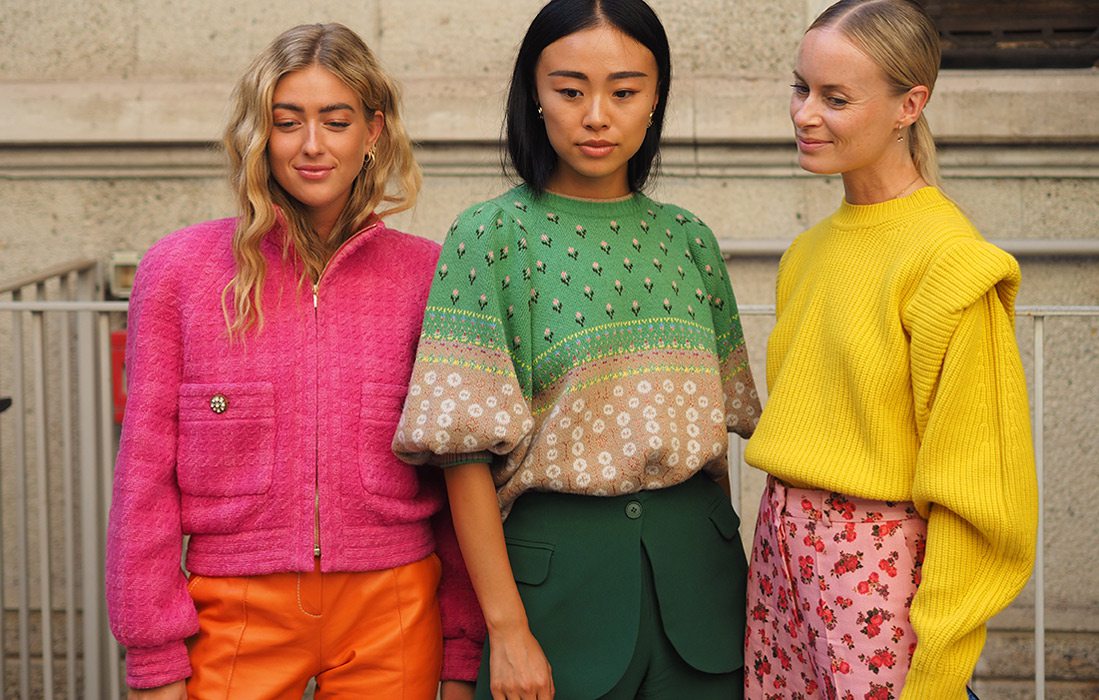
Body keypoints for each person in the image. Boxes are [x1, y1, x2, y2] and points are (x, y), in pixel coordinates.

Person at [392, 1, 761, 698]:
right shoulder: (487, 239)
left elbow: (720, 441)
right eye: (569, 90)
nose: (597, 115)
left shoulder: (690, 240)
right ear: (533, 94)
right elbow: (462, 455)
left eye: (624, 91)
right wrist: (506, 630)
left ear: (656, 98)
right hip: (555, 591)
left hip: (702, 584)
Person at [106, 23, 483, 700]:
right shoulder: (179, 274)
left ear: (372, 133)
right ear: (261, 134)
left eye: (335, 121)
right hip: (234, 610)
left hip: (393, 606)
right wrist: (153, 655)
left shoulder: (429, 276)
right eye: (288, 122)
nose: (312, 145)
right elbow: (144, 476)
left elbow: (457, 478)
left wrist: (462, 648)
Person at [743, 1, 1039, 698]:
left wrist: (937, 671)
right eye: (800, 87)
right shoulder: (806, 253)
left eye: (835, 98)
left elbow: (977, 495)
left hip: (877, 583)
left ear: (910, 104)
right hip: (780, 571)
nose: (803, 114)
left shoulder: (949, 262)